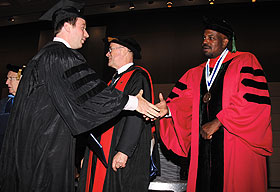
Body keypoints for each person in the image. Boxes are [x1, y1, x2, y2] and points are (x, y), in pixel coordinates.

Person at [0, 1, 160, 192]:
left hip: (33, 147)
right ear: (67, 26)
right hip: (47, 149)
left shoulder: (43, 56)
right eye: (83, 27)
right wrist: (134, 103)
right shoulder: (62, 56)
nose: (87, 34)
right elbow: (89, 93)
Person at [156, 17, 273, 192]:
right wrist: (169, 110)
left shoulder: (245, 61)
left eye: (211, 38)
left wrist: (218, 122)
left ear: (225, 41)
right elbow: (184, 102)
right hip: (203, 150)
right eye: (204, 38)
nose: (205, 42)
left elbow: (252, 103)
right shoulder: (196, 72)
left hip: (235, 145)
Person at [78, 37, 159, 192]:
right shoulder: (112, 81)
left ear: (125, 51)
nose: (107, 55)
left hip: (120, 151)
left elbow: (137, 117)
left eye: (111, 50)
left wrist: (124, 151)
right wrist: (90, 155)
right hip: (105, 150)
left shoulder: (138, 77)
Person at [0, 64, 24, 152]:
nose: (6, 82)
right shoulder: (3, 102)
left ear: (21, 81)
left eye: (11, 78)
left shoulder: (29, 104)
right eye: (7, 78)